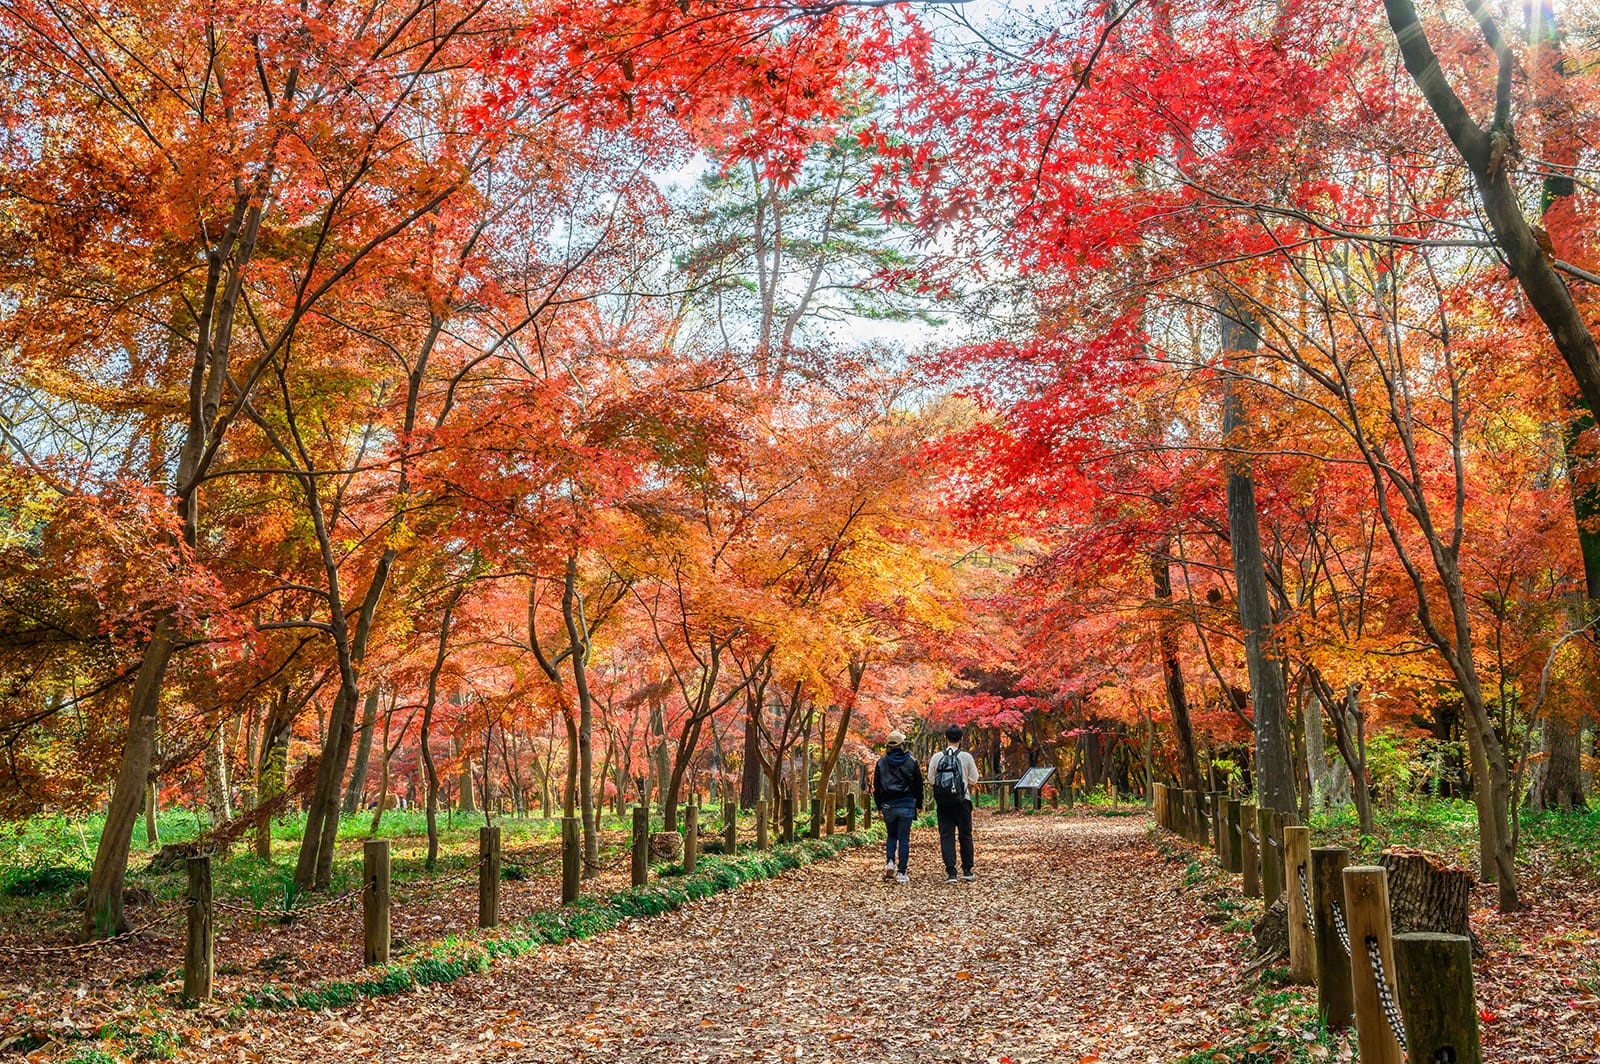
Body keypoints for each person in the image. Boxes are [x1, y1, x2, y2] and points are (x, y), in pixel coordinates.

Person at [928, 724, 980, 883]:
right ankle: (967, 870)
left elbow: (931, 780)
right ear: (961, 738)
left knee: (947, 835)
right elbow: (974, 779)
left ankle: (951, 872)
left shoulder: (937, 757)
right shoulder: (966, 757)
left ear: (946, 738)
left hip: (944, 803)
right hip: (963, 800)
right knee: (965, 835)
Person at [873, 730, 923, 883]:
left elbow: (877, 787)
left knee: (891, 836)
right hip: (906, 803)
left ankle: (890, 862)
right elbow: (918, 785)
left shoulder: (881, 763)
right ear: (902, 744)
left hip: (888, 804)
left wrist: (879, 806)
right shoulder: (912, 762)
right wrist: (919, 804)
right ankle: (901, 872)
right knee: (904, 839)